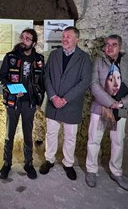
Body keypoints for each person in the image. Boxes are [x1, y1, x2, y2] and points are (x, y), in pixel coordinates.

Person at [85, 35, 128, 190]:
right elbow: (93, 84)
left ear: (120, 47)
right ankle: (91, 169)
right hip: (100, 107)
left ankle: (116, 172)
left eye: (113, 45)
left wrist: (122, 103)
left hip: (120, 109)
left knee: (118, 141)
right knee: (94, 139)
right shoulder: (98, 62)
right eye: (107, 45)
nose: (109, 48)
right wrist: (111, 102)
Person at [39, 26, 92, 180]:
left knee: (70, 136)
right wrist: (53, 96)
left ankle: (68, 163)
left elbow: (85, 81)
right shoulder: (54, 54)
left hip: (72, 103)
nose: (65, 39)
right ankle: (49, 160)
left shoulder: (84, 58)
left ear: (77, 39)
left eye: (68, 36)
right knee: (51, 133)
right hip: (54, 102)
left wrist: (66, 98)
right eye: (63, 36)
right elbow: (46, 76)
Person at [0, 28, 45, 180]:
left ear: (34, 43)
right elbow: (1, 77)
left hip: (29, 103)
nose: (23, 40)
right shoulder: (10, 56)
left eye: (27, 38)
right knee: (9, 135)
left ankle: (28, 163)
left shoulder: (39, 59)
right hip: (13, 102)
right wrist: (12, 89)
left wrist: (39, 101)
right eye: (22, 37)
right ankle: (6, 163)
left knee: (28, 135)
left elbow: (42, 82)